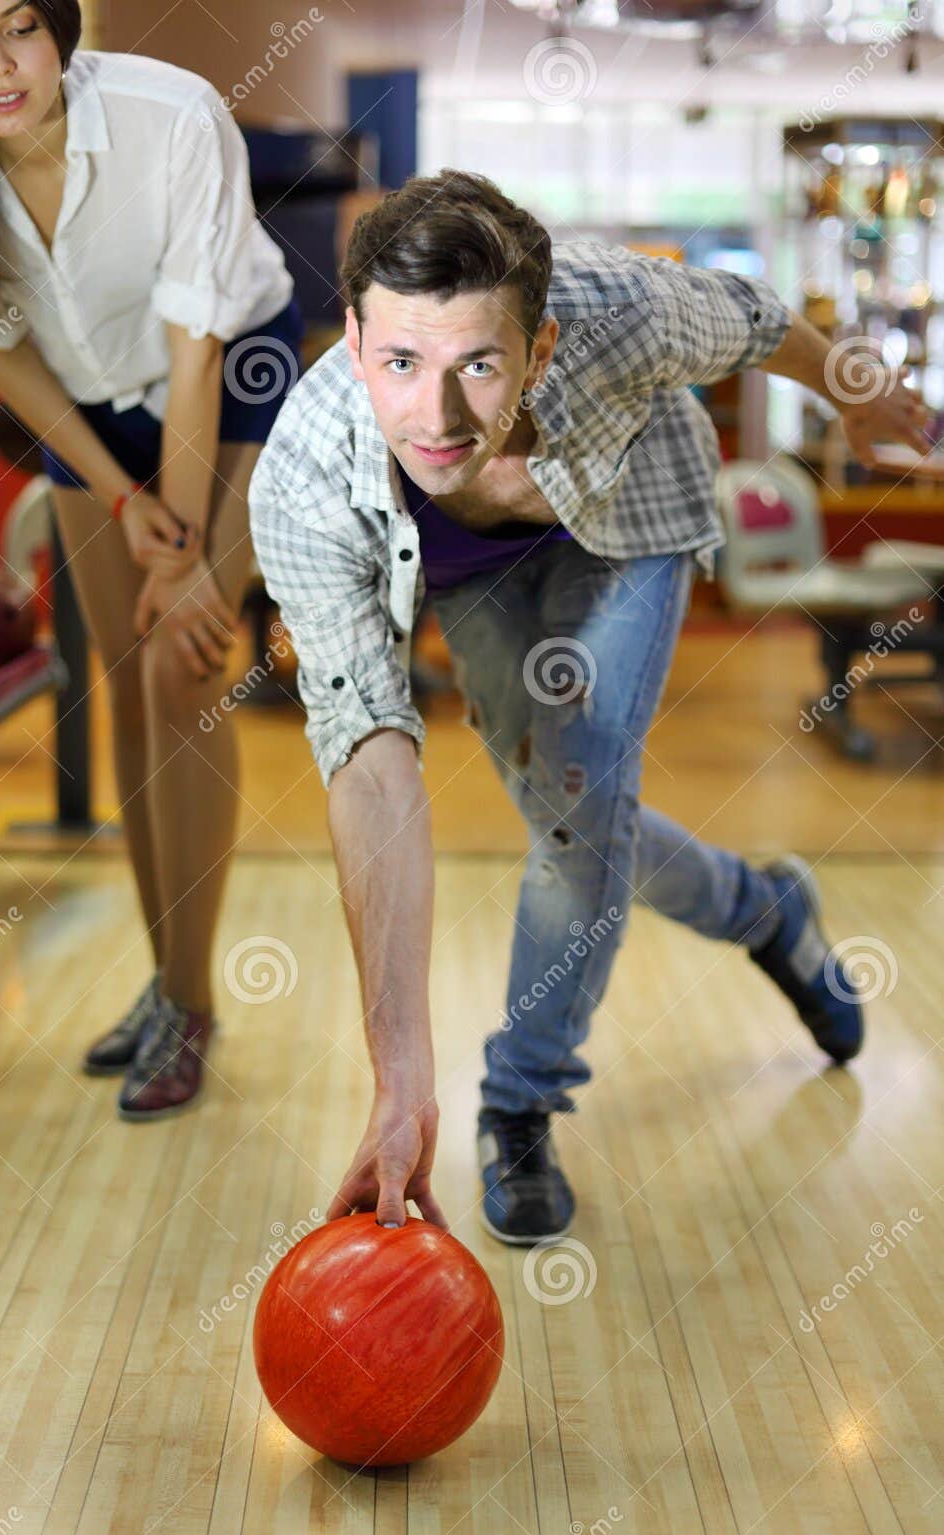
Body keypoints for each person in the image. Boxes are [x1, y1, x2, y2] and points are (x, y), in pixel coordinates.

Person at [249, 170, 933, 1245]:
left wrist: (852, 387)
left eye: (479, 362)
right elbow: (370, 761)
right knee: (577, 825)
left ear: (543, 346)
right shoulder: (303, 482)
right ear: (351, 332)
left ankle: (519, 1101)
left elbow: (758, 320)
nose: (436, 415)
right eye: (397, 363)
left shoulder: (625, 312)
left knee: (576, 813)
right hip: (468, 572)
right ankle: (766, 911)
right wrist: (396, 1082)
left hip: (628, 533)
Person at [0, 1, 302, 1120]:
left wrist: (182, 544)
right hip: (88, 415)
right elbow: (3, 356)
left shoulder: (176, 115)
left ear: (61, 25)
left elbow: (198, 342)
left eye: (21, 25)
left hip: (232, 378)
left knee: (183, 671)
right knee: (120, 674)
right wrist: (120, 496)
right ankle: (163, 984)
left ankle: (193, 1000)